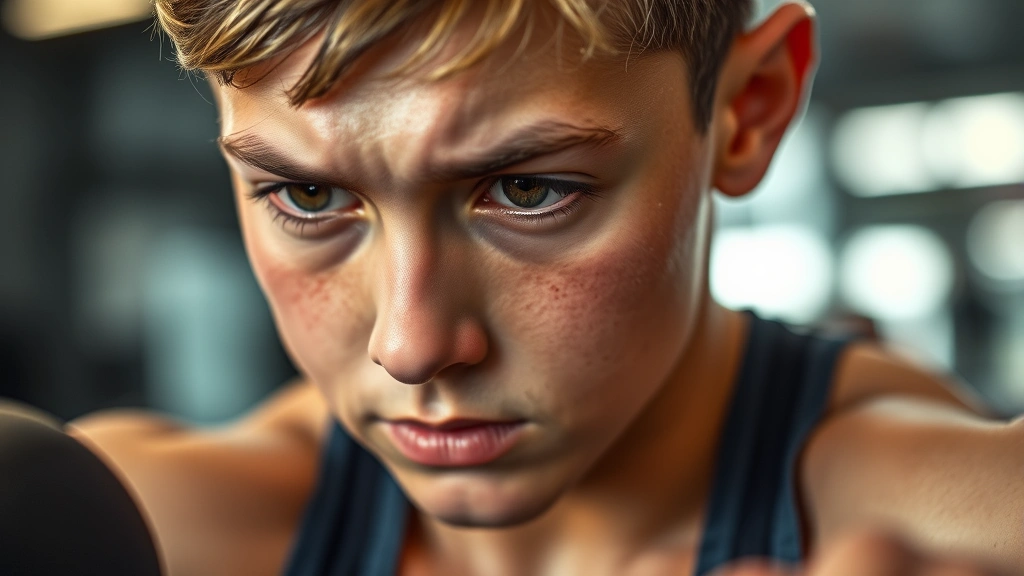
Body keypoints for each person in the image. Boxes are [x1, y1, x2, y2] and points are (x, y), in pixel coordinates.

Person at [58, 0, 1022, 574]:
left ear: (746, 112)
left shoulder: (956, 522)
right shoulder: (140, 532)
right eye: (307, 195)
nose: (412, 345)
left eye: (528, 189)